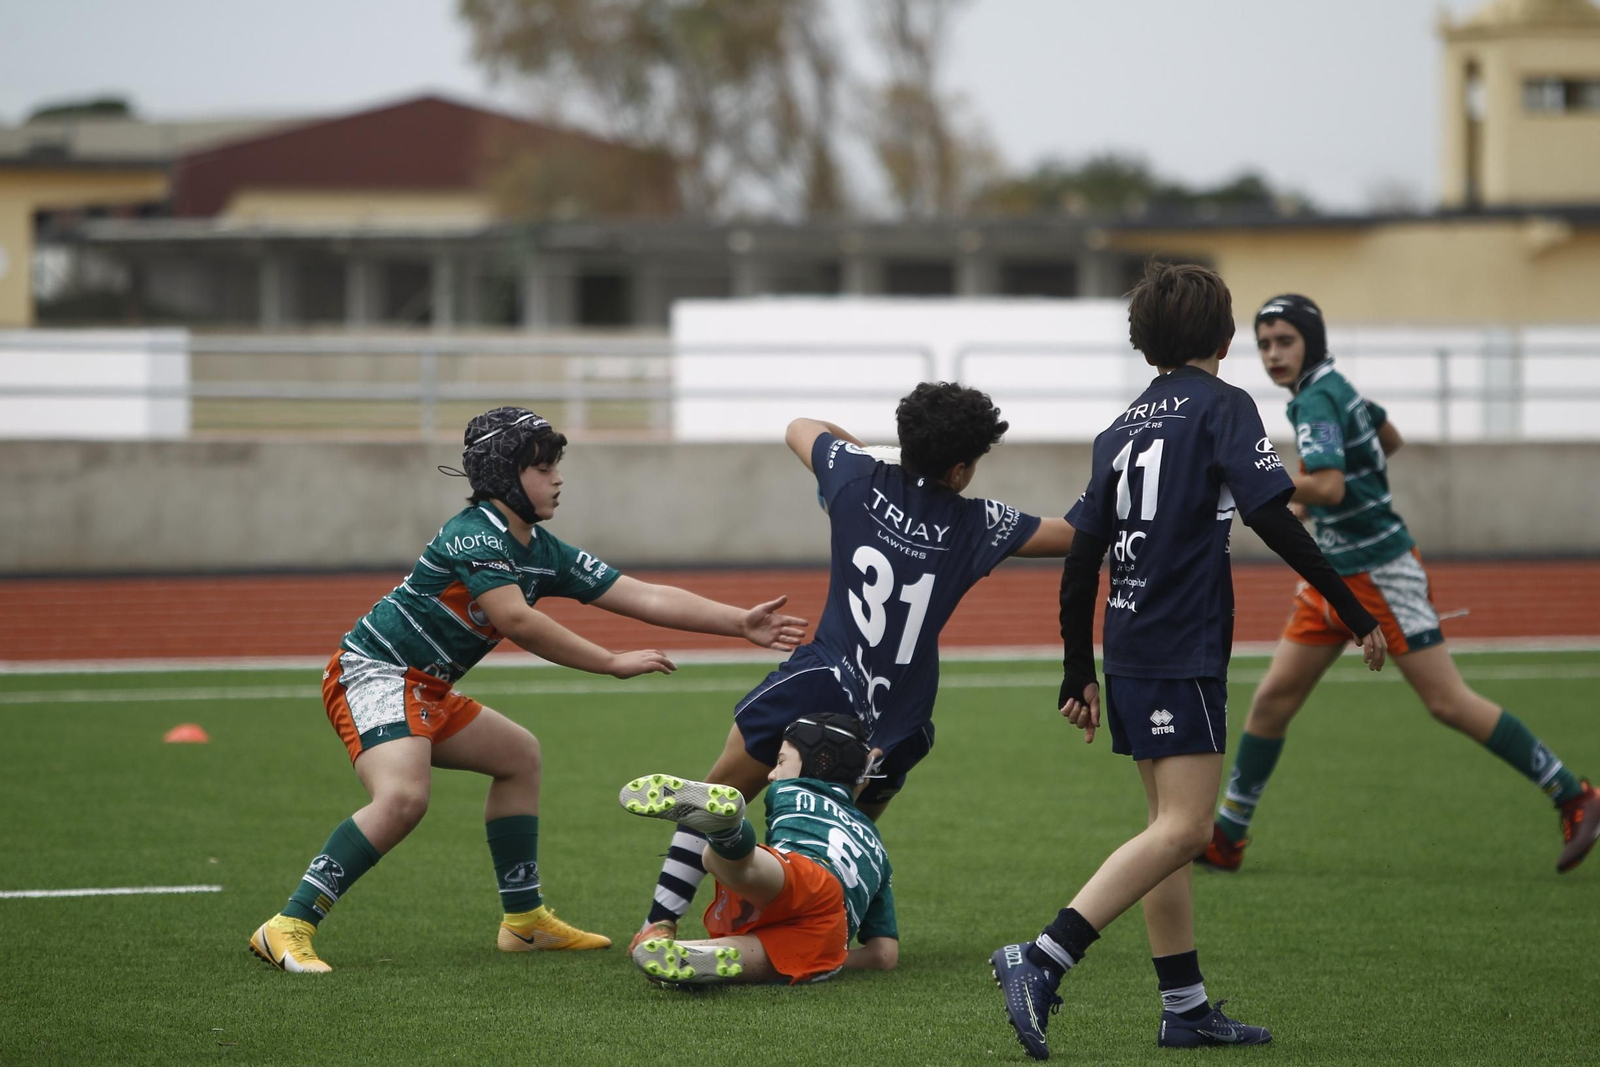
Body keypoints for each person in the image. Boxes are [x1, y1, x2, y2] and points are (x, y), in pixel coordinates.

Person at [248, 407, 809, 973]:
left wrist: (739, 622)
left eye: (555, 465)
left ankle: (524, 923)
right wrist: (609, 661)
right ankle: (288, 925)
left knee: (518, 757)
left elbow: (641, 594)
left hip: (426, 689)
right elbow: (517, 620)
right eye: (543, 468)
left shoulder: (540, 549)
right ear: (502, 476)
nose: (557, 478)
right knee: (403, 799)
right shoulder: (473, 536)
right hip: (373, 675)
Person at [991, 263, 1388, 1060]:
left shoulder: (1120, 427)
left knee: (1162, 829)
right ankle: (1041, 958)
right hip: (1182, 643)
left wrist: (1079, 667)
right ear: (1226, 336)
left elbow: (1080, 557)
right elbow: (1273, 515)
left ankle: (1185, 1006)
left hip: (1129, 644)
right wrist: (1352, 609)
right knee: (1187, 827)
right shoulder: (1225, 408)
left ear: (1145, 345)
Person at [632, 382, 1076, 950]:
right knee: (846, 827)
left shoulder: (855, 477)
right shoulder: (977, 522)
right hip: (898, 719)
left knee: (719, 792)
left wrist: (866, 455)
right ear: (962, 470)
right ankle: (821, 924)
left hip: (820, 680)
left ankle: (660, 922)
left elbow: (800, 426)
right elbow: (1072, 535)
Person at [1199, 294, 1600, 875]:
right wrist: (1331, 493)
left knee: (1447, 702)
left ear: (1311, 340)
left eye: (1285, 340)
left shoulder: (1316, 399)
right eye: (1263, 344)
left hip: (1379, 573)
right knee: (1271, 702)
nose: (1272, 354)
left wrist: (1263, 481)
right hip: (1332, 575)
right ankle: (1229, 836)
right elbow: (1388, 437)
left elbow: (1331, 486)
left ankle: (1573, 793)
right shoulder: (1336, 387)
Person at [618, 713, 897, 986]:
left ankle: (728, 831)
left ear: (817, 765)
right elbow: (884, 955)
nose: (772, 774)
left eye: (781, 761)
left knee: (731, 862)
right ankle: (694, 953)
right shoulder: (878, 850)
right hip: (828, 935)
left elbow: (784, 878)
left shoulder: (793, 788)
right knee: (761, 952)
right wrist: (838, 958)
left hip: (809, 875)